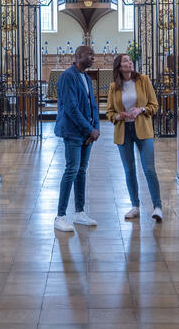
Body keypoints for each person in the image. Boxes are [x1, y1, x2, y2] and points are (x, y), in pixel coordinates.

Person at [106, 52, 163, 222]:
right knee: (129, 170)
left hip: (143, 129)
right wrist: (119, 116)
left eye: (130, 60)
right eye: (125, 61)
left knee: (149, 169)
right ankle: (135, 206)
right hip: (124, 130)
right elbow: (109, 112)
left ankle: (157, 207)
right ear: (119, 66)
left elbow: (154, 105)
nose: (129, 63)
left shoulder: (143, 80)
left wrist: (141, 110)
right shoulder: (113, 87)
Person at [53, 44, 100, 232]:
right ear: (79, 56)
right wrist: (89, 129)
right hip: (73, 131)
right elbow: (71, 108)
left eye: (93, 55)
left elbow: (93, 104)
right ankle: (60, 216)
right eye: (90, 55)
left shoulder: (86, 77)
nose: (93, 58)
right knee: (71, 170)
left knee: (81, 170)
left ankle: (79, 212)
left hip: (86, 132)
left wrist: (96, 127)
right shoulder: (67, 76)